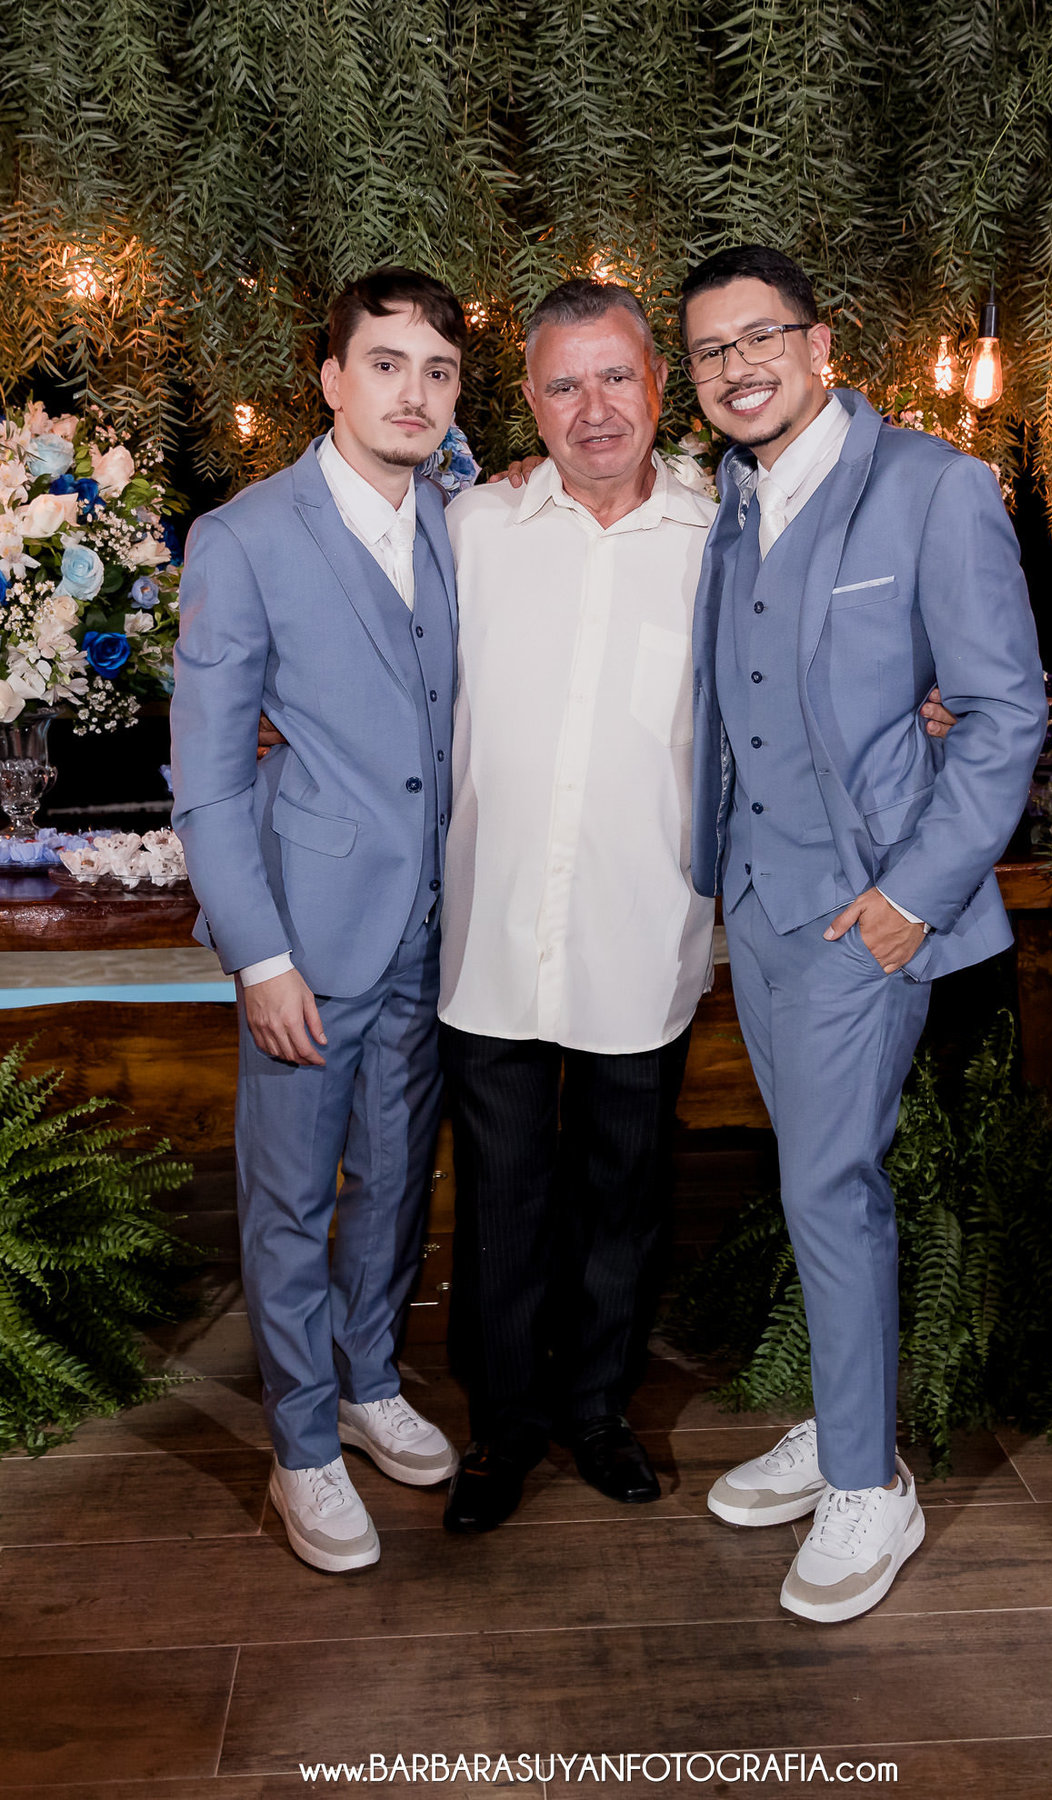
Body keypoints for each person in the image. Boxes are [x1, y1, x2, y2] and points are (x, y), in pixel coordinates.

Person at [434, 278, 957, 1535]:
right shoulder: (470, 526)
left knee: (626, 1186)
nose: (593, 409)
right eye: (563, 385)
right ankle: (502, 1427)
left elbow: (833, 662)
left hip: (647, 916)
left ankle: (599, 1410)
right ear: (530, 405)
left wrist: (928, 700)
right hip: (493, 919)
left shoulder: (724, 531)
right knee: (498, 1194)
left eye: (617, 377)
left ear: (660, 388)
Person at [679, 245, 1046, 1622]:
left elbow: (1003, 710)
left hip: (862, 910)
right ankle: (847, 1424)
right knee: (808, 1175)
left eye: (760, 336)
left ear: (822, 344)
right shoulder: (730, 501)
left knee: (831, 1183)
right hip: (759, 900)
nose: (736, 368)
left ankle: (866, 1488)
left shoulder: (933, 487)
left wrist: (913, 896)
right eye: (709, 351)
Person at [171, 268, 461, 1574]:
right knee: (291, 1197)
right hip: (308, 930)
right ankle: (299, 1445)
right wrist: (260, 957)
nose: (413, 393)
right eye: (386, 365)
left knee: (394, 1177)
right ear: (333, 380)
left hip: (436, 925)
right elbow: (206, 778)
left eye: (437, 372)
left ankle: (367, 1379)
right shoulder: (244, 538)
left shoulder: (462, 518)